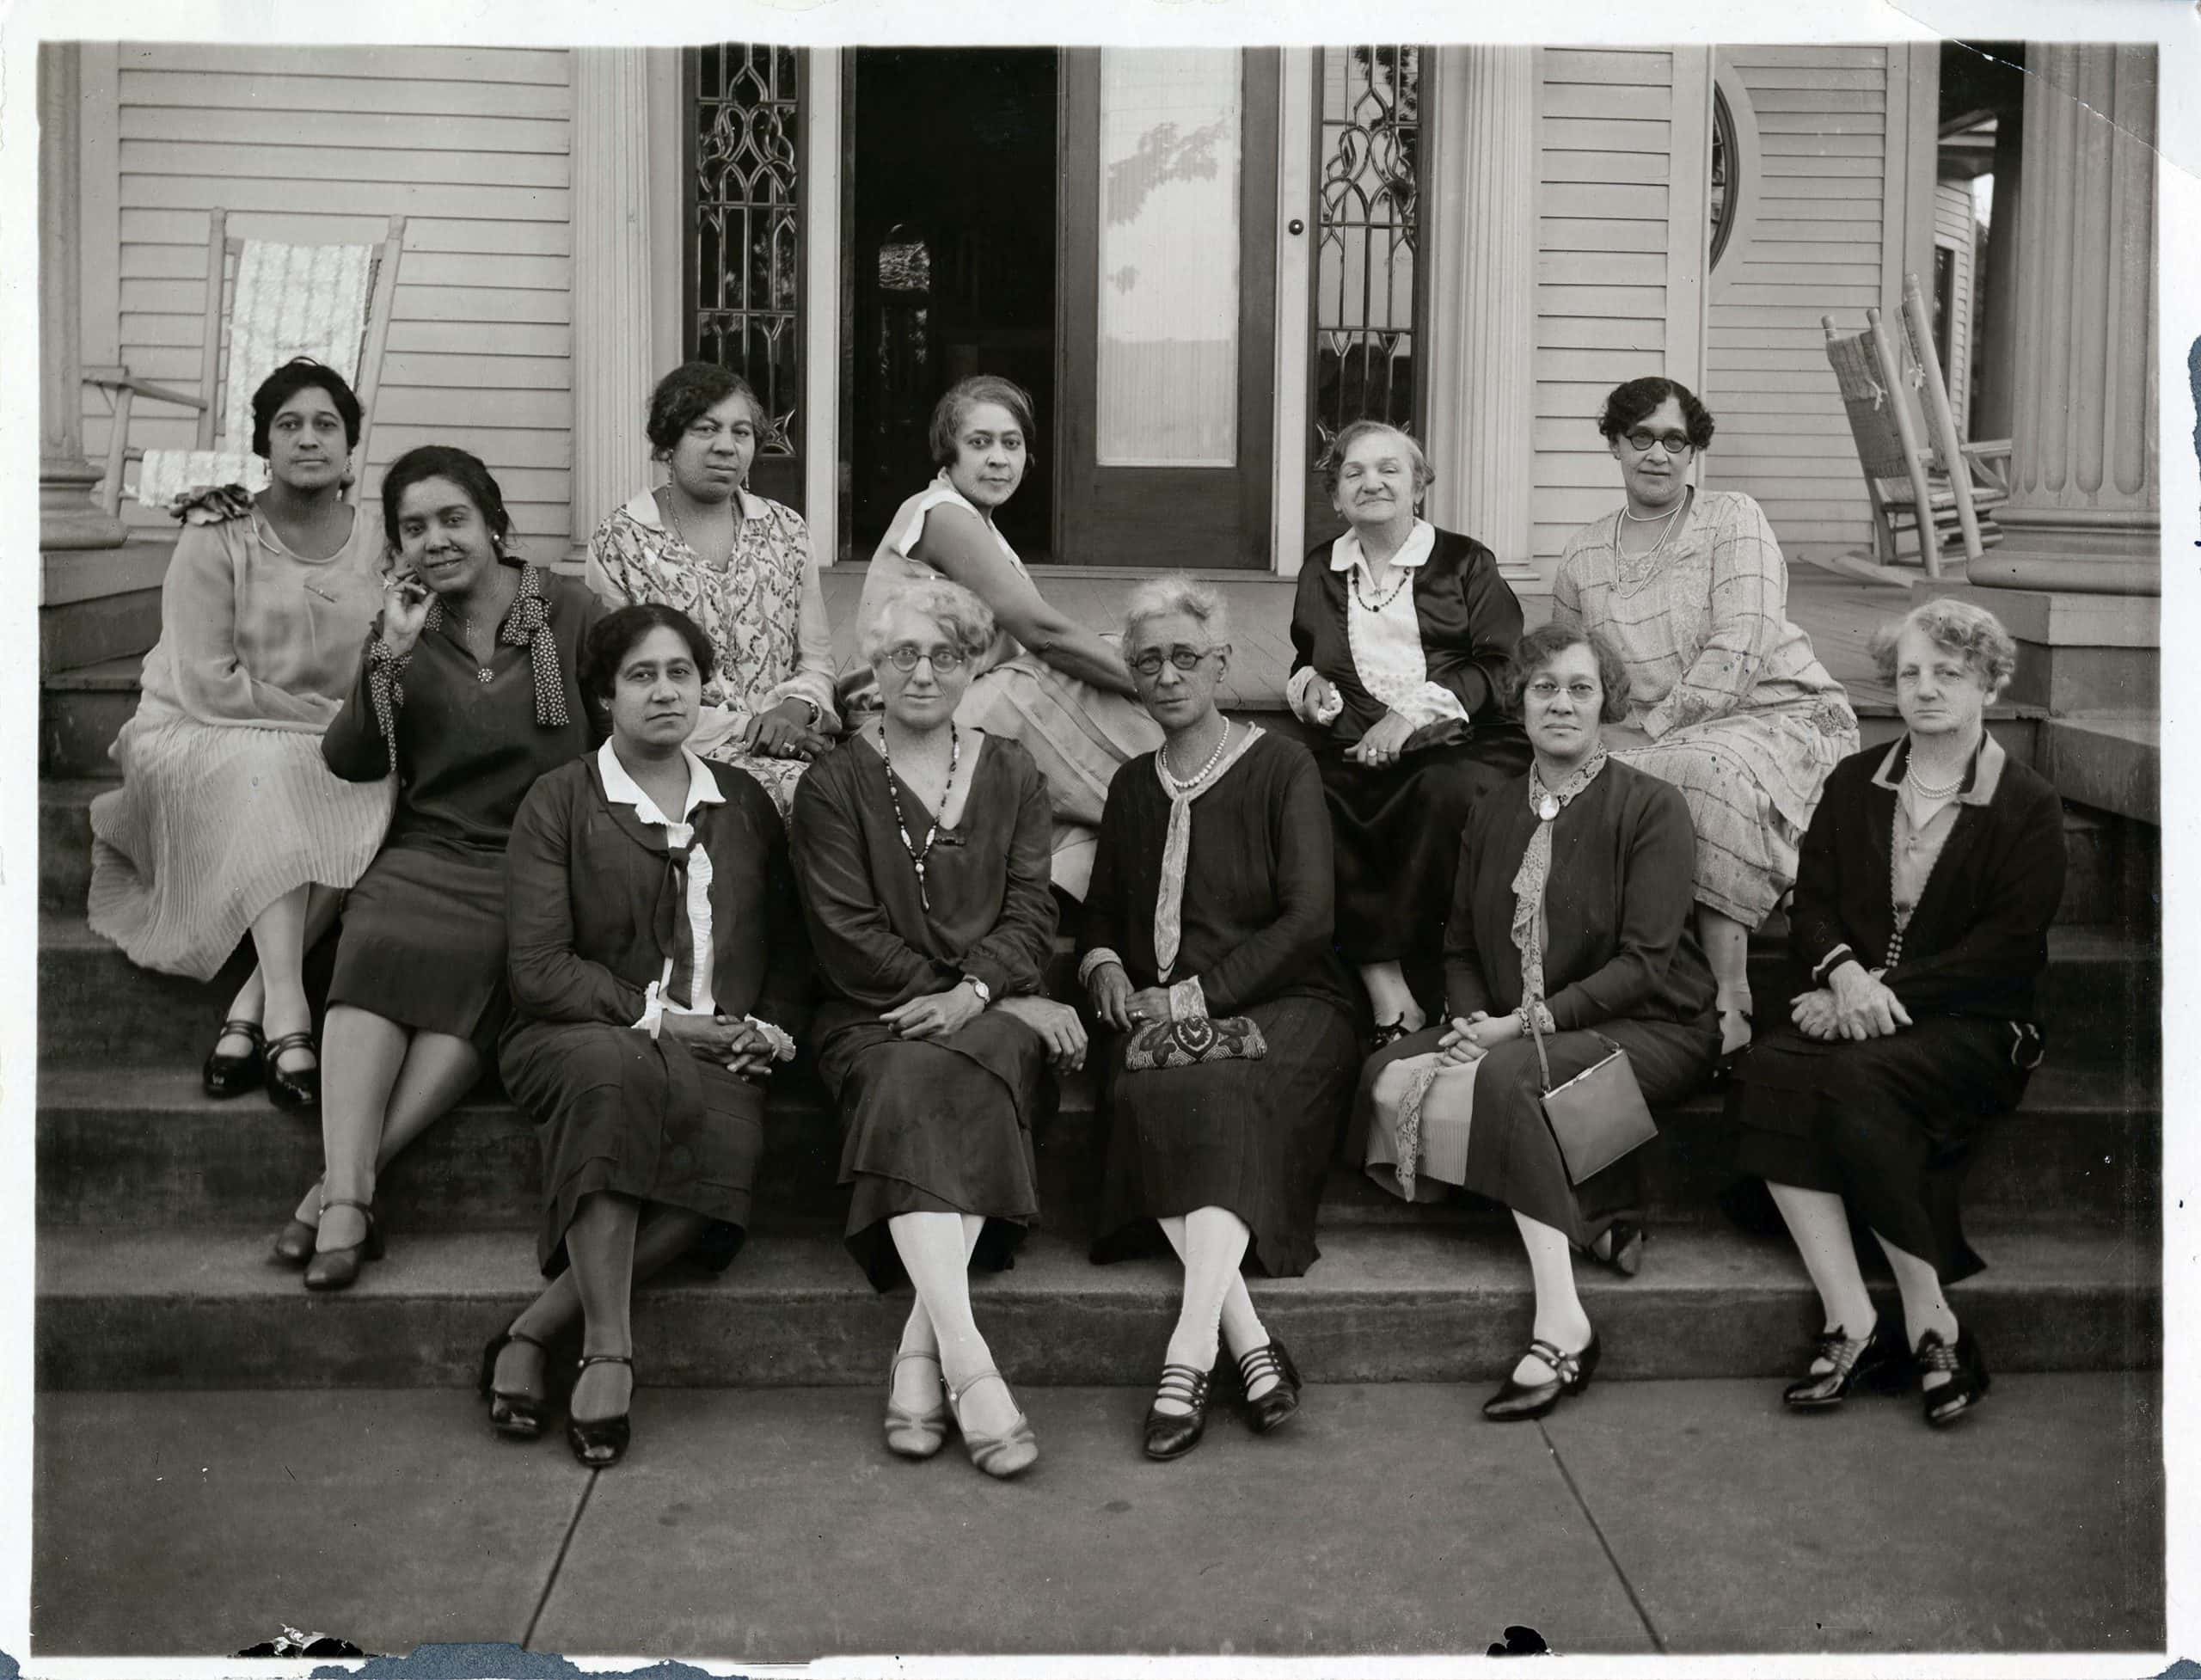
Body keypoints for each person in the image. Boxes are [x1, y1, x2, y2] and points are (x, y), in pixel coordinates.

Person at [1355, 623, 1720, 1421]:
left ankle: (1562, 1322)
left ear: (1607, 704)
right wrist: (1466, 1017)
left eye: (1580, 688)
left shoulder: (1650, 806)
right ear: (1520, 704)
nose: (1561, 703)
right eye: (1544, 688)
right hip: (1518, 1026)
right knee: (1385, 1073)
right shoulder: (1490, 810)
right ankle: (1593, 1220)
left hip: (1650, 1023)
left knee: (1509, 1077)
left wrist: (1519, 1028)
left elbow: (1646, 964)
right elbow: (1457, 942)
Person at [270, 445, 605, 1291]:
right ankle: (349, 1196)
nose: (436, 540)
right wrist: (386, 652)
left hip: (538, 856)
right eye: (413, 526)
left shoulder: (573, 610)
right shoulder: (405, 623)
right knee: (375, 939)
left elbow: (614, 735)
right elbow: (350, 761)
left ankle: (337, 1188)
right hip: (429, 849)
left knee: (479, 984)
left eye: (453, 519)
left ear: (493, 522)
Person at [488, 603, 810, 1468]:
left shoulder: (741, 802)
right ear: (603, 697)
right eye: (641, 675)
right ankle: (607, 1351)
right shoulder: (559, 801)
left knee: (721, 1162)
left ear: (705, 688)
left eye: (680, 673)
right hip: (579, 1034)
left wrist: (769, 1031)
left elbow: (786, 946)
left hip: (719, 1052)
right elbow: (540, 968)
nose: (665, 692)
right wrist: (669, 1023)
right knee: (619, 1076)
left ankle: (532, 1327)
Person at [1733, 598, 2063, 1428]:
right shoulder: (1855, 780)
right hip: (1855, 1002)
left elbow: (2008, 951)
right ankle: (1851, 1314)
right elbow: (1811, 908)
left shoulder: (2026, 803)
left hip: (1976, 1025)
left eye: (1949, 674)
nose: (1926, 689)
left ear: (1987, 684)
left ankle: (1932, 1317)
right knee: (1771, 1069)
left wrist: (1878, 998)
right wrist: (1845, 977)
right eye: (1911, 673)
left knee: (1851, 1078)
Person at [791, 578, 1086, 1479]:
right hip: (872, 1016)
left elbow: (1034, 914)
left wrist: (976, 996)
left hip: (987, 1015)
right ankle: (972, 1361)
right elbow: (846, 936)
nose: (923, 672)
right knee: (918, 1074)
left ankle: (925, 1355)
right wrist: (975, 995)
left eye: (946, 655)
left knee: (981, 1055)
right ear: (873, 668)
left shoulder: (1011, 771)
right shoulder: (833, 783)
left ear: (977, 665)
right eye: (902, 654)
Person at [1082, 577, 1358, 1460]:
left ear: (1221, 664)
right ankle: (1247, 1342)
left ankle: (1187, 1349)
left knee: (1223, 1091)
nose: (1166, 675)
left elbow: (1308, 918)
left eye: (1184, 657)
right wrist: (1107, 970)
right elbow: (1098, 920)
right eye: (1147, 661)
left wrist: (1193, 997)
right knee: (1151, 1084)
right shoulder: (1131, 786)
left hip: (1289, 1005)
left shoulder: (1281, 766)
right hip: (1160, 1019)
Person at [88, 358, 395, 1109]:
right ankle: (294, 1011)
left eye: (326, 424)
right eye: (288, 425)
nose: (308, 439)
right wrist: (332, 725)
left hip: (322, 737)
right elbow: (208, 683)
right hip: (198, 727)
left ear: (350, 444)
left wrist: (343, 728)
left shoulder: (380, 538)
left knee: (367, 783)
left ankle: (253, 1005)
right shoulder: (218, 530)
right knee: (275, 773)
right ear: (264, 444)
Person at [1552, 377, 1859, 1061]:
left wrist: (1651, 730)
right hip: (1660, 731)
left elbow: (1743, 643)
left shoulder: (1733, 518)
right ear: (1614, 444)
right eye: (1642, 438)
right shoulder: (1580, 555)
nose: (1658, 454)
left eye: (1676, 441)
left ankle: (1731, 995)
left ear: (1693, 451)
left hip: (1780, 713)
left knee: (1698, 771)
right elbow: (1579, 665)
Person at [853, 374, 1162, 898]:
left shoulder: (980, 524)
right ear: (946, 455)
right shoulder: (941, 515)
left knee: (1104, 655)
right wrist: (1148, 680)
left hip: (964, 704)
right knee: (1072, 672)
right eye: (979, 443)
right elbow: (1041, 632)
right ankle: (1178, 797)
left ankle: (1133, 831)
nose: (999, 458)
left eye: (1011, 443)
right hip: (912, 712)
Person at [1288, 420, 1531, 1042]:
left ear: (1419, 486)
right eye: (1354, 473)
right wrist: (1309, 689)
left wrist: (1410, 718)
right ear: (1337, 497)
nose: (1372, 483)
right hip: (1356, 748)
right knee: (1303, 794)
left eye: (1389, 469)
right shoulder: (1322, 568)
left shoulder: (1465, 561)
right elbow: (1305, 659)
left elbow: (1500, 663)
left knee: (1449, 792)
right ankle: (1386, 987)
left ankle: (1455, 977)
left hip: (1465, 738)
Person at [586, 361, 838, 817]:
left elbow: (817, 660)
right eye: (706, 429)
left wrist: (797, 708)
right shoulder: (622, 540)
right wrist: (751, 729)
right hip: (677, 750)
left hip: (793, 741)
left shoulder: (787, 530)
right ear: (667, 443)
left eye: (741, 433)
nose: (727, 447)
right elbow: (621, 685)